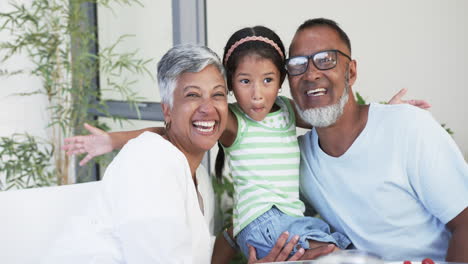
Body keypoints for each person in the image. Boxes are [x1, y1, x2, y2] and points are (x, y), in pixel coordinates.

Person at [63, 26, 428, 262]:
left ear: (282, 82)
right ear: (234, 85)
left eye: (268, 80)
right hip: (263, 219)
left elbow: (330, 113)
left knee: (342, 242)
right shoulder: (232, 122)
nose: (257, 94)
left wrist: (381, 113)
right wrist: (112, 139)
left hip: (285, 218)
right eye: (245, 82)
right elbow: (169, 131)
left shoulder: (285, 110)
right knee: (332, 252)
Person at [45, 44, 321, 264]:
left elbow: (195, 254)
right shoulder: (149, 164)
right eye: (192, 95)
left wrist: (239, 231)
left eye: (217, 95)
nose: (207, 108)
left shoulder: (196, 174)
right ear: (167, 110)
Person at [286, 18, 468, 262]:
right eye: (297, 65)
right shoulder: (299, 159)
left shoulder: (408, 127)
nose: (310, 74)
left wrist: (391, 121)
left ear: (351, 72)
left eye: (326, 60)